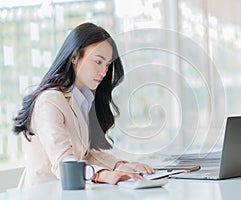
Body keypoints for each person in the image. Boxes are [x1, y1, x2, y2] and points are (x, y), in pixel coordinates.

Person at [12, 22, 154, 187]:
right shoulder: (49, 101)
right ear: (75, 57)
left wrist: (119, 165)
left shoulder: (83, 100)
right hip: (43, 193)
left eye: (107, 64)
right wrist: (103, 174)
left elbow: (84, 156)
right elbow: (64, 164)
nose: (104, 72)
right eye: (98, 61)